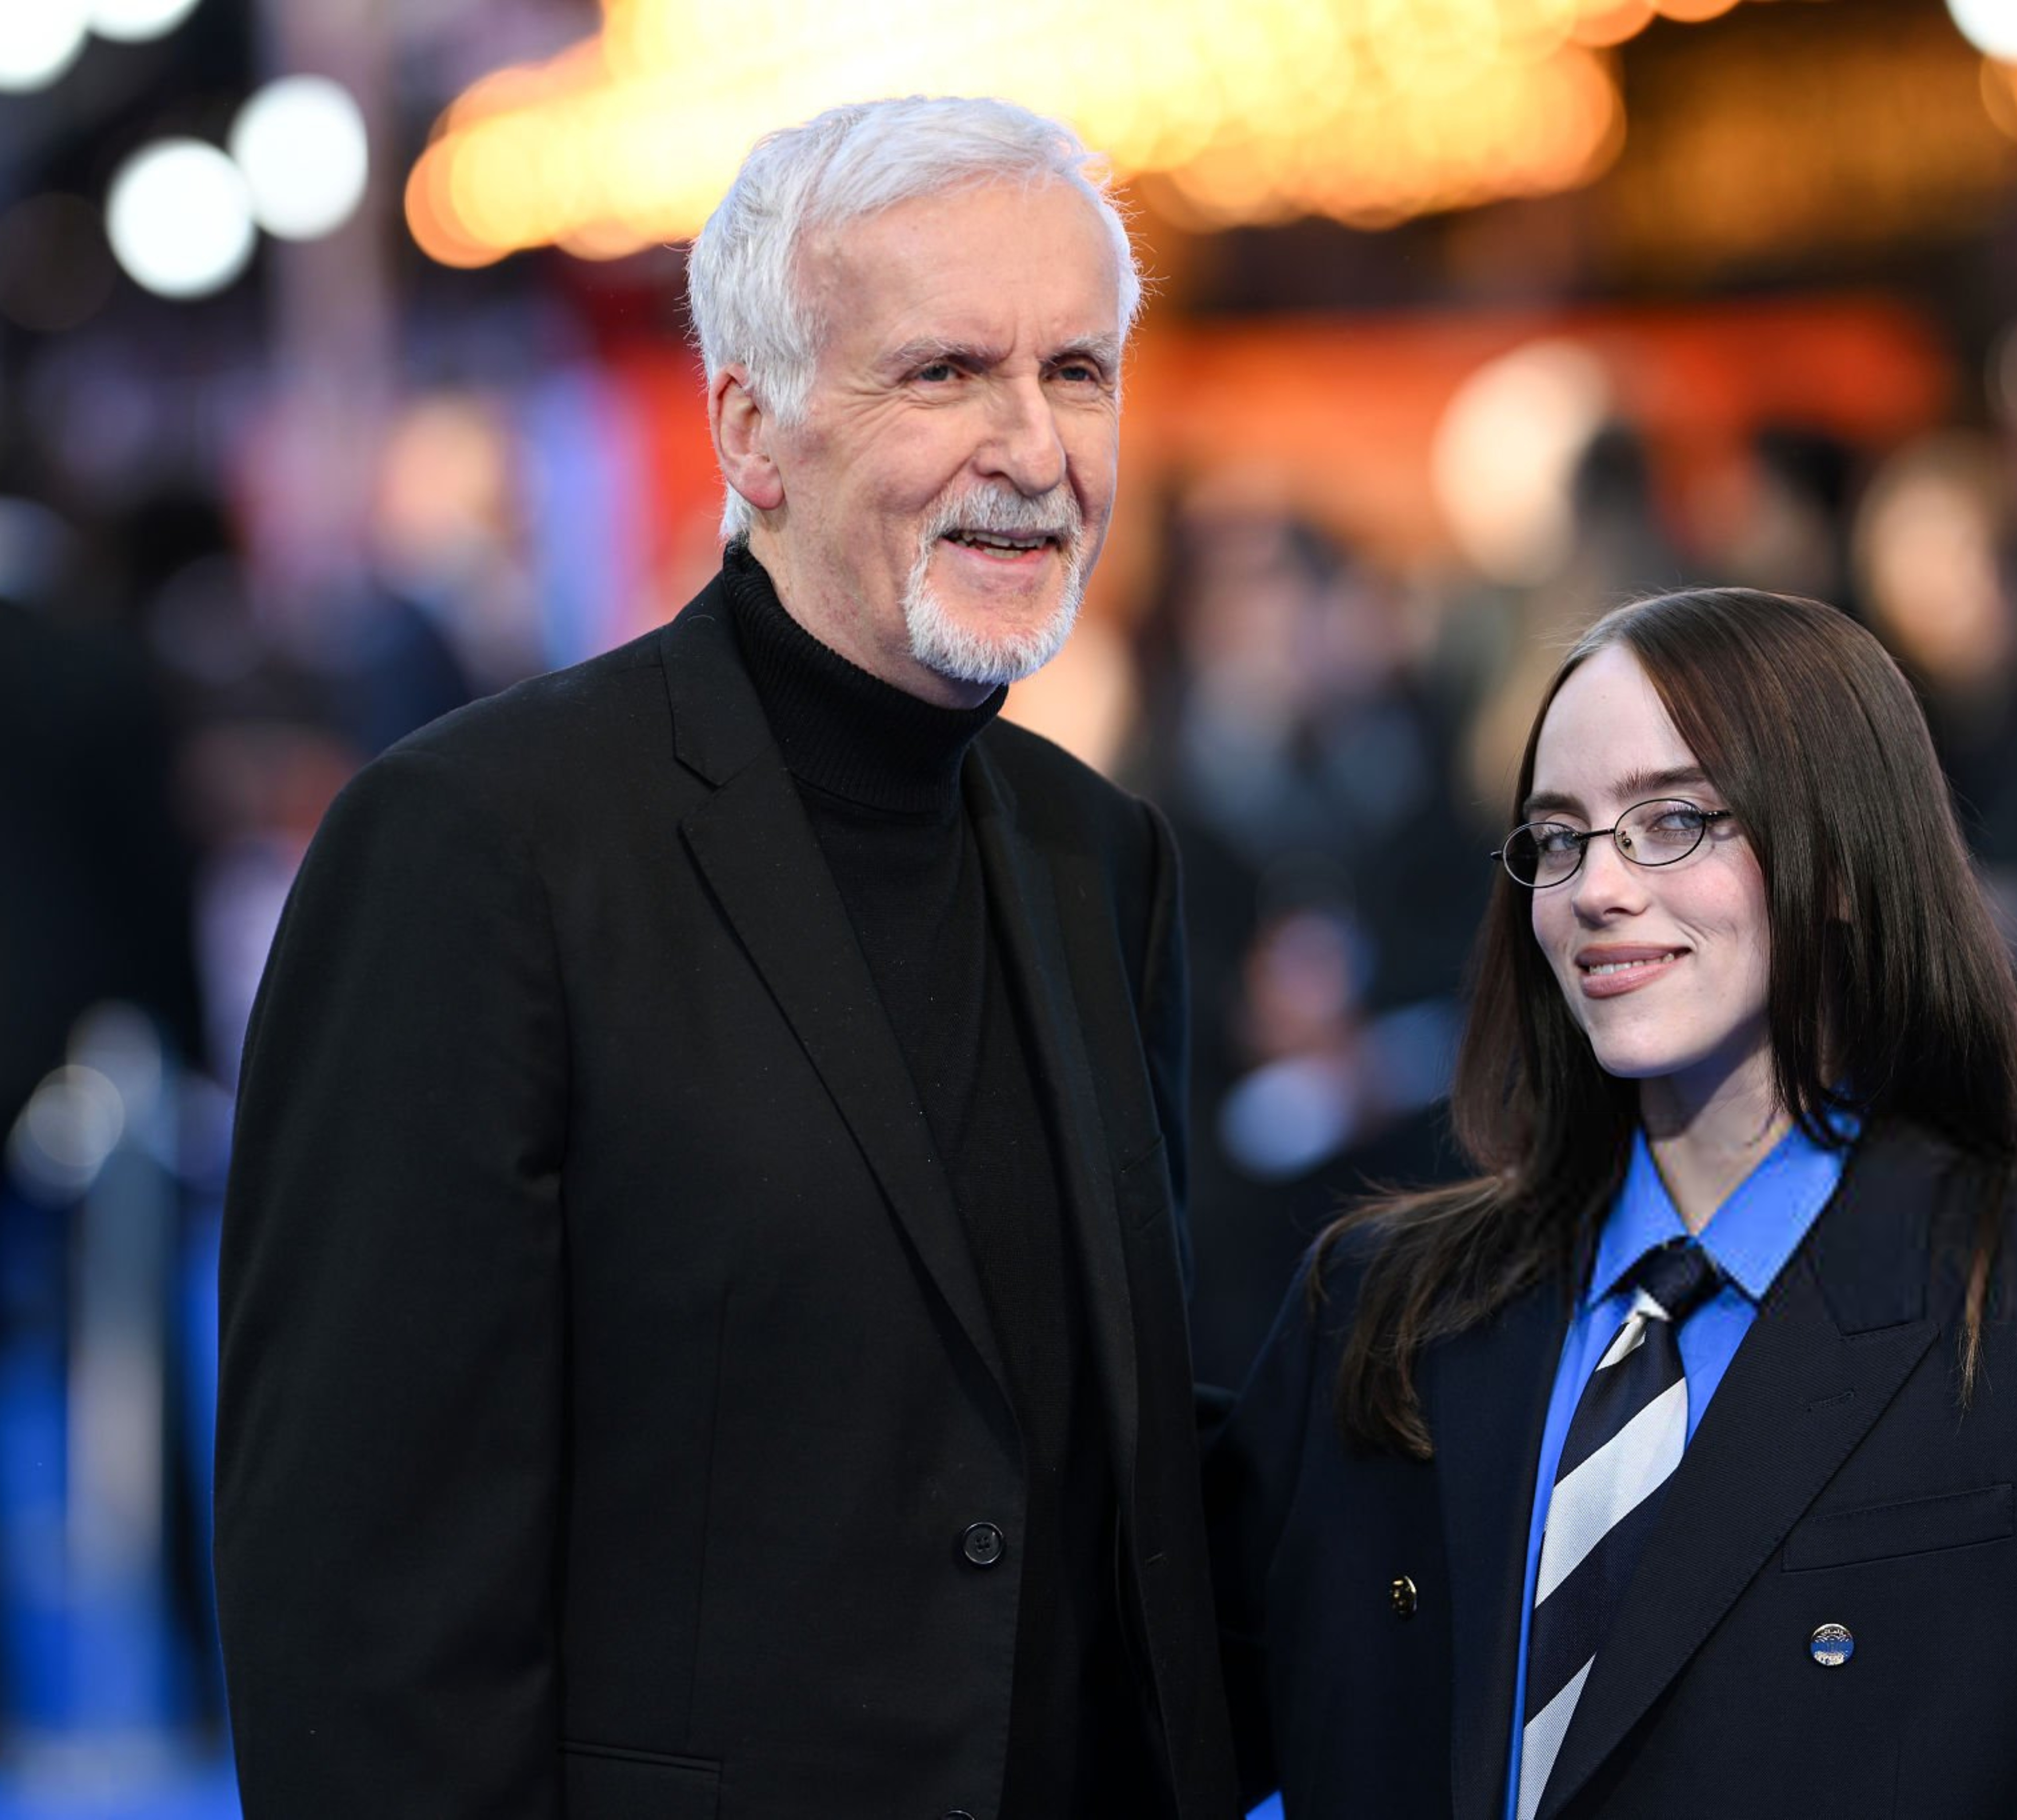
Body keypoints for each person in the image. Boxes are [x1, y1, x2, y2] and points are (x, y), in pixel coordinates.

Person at [216, 97, 1235, 1820]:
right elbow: (362, 1602)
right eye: (942, 373)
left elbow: (1113, 1473)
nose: (1031, 446)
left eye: (1075, 372)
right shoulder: (478, 843)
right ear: (751, 433)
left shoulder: (1101, 855)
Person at [1205, 588, 2017, 1819]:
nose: (1597, 887)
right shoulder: (1384, 1313)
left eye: (1672, 821)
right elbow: (1144, 1715)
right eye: (1558, 836)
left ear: (1844, 862)